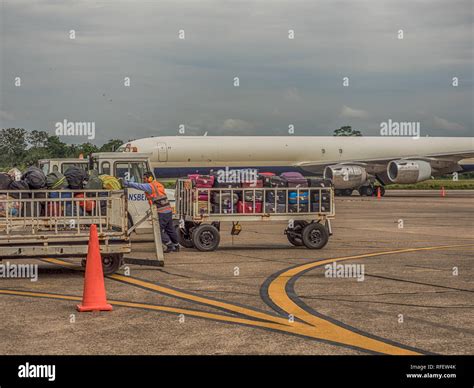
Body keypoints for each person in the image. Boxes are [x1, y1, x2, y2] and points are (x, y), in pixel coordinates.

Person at [124, 172, 180, 253]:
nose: (143, 180)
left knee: (158, 231)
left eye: (144, 178)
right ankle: (176, 245)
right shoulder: (158, 184)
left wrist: (128, 183)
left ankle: (170, 245)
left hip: (161, 211)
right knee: (170, 229)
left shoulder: (150, 186)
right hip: (168, 210)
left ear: (150, 178)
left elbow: (139, 186)